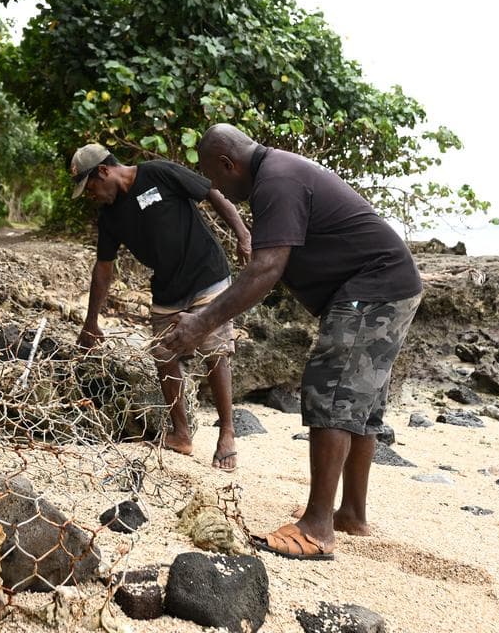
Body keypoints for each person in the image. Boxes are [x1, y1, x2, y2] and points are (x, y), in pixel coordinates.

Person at [157, 124, 423, 560]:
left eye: (217, 178)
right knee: (360, 403)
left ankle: (317, 528)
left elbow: (265, 271)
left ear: (229, 164)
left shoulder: (276, 181)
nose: (219, 188)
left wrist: (199, 323)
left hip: (373, 288)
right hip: (388, 284)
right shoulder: (279, 172)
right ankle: (350, 514)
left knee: (330, 390)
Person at [71, 143, 252, 470]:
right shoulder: (110, 215)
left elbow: (212, 192)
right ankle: (181, 433)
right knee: (163, 355)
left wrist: (243, 235)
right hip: (168, 288)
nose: (91, 194)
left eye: (91, 186)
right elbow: (103, 267)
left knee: (215, 350)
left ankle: (227, 433)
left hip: (207, 273)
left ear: (103, 170)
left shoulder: (158, 172)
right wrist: (91, 321)